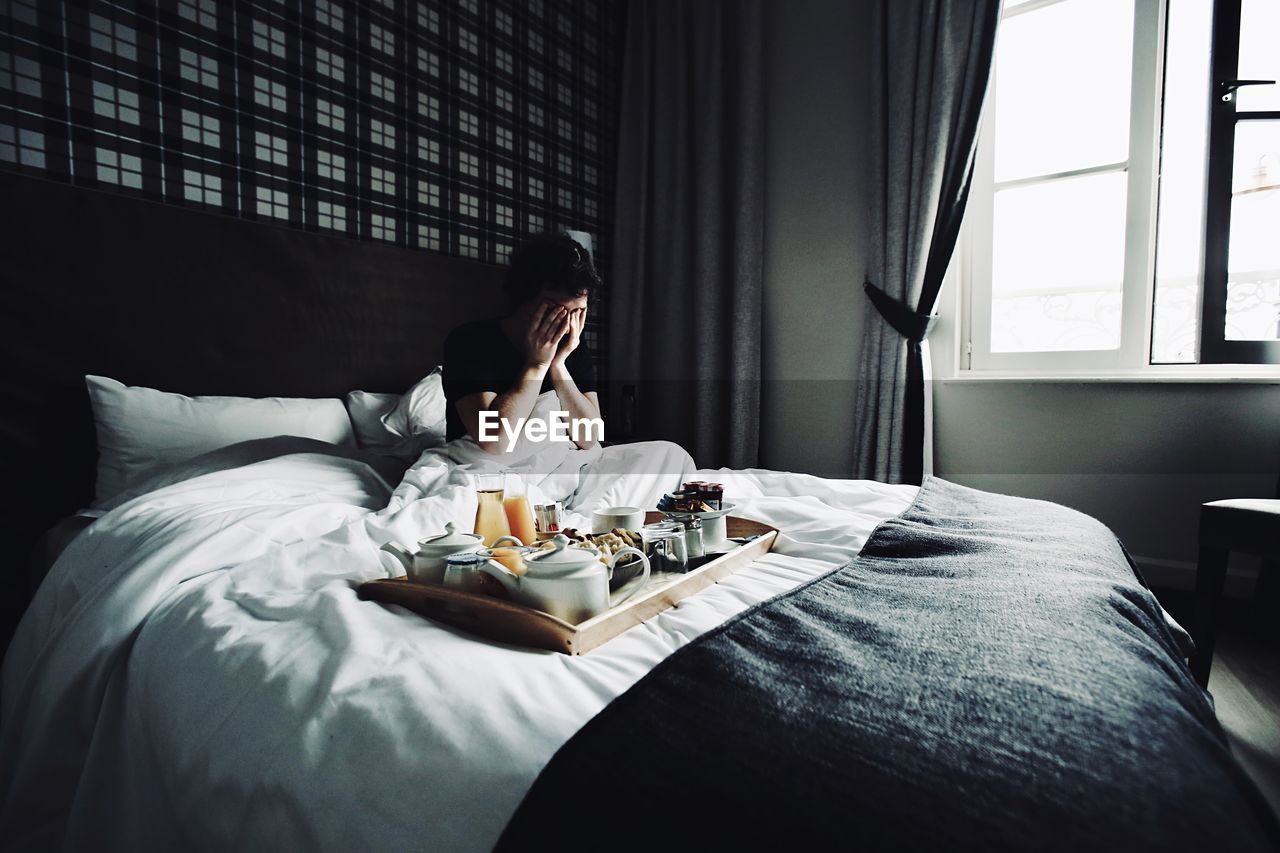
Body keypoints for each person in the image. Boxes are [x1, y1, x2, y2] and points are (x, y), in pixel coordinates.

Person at [442, 233, 603, 454]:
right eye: (554, 310)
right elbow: (494, 441)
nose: (566, 323)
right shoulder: (469, 340)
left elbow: (590, 437)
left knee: (665, 452)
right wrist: (537, 364)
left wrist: (557, 365)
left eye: (578, 312)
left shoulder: (573, 343)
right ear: (524, 300)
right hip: (484, 463)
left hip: (554, 459)